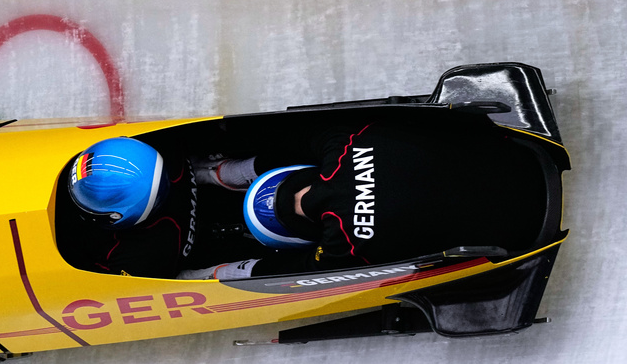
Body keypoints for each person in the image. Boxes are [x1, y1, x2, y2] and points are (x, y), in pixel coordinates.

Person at [179, 118, 547, 280]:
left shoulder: (342, 248)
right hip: (518, 151)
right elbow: (294, 139)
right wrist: (237, 167)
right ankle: (224, 172)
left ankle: (221, 175)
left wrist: (209, 275)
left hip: (526, 231)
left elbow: (284, 274)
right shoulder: (340, 144)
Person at [55, 136, 266, 278]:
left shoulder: (140, 259)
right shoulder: (162, 145)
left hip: (174, 259)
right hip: (182, 180)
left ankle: (214, 277)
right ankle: (224, 171)